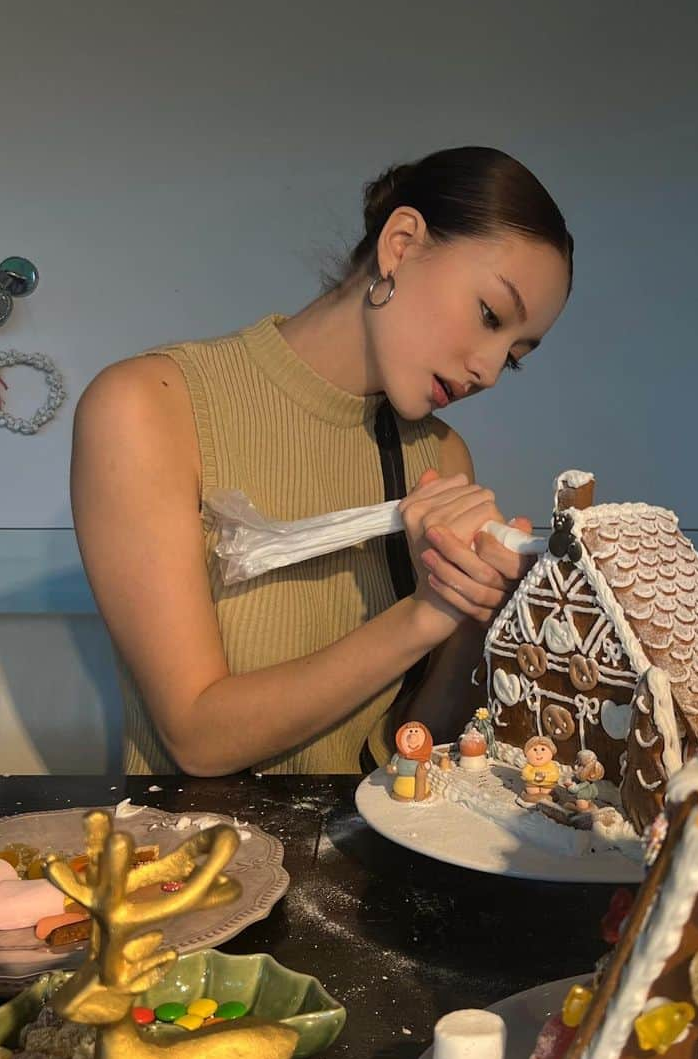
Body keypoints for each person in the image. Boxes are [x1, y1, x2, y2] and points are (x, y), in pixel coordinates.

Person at [71, 147, 573, 776]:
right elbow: (198, 737)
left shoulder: (440, 455)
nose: (491, 370)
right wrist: (424, 613)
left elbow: (416, 748)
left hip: (381, 864)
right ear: (402, 243)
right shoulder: (149, 407)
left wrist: (477, 614)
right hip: (200, 863)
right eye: (490, 315)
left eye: (516, 354)